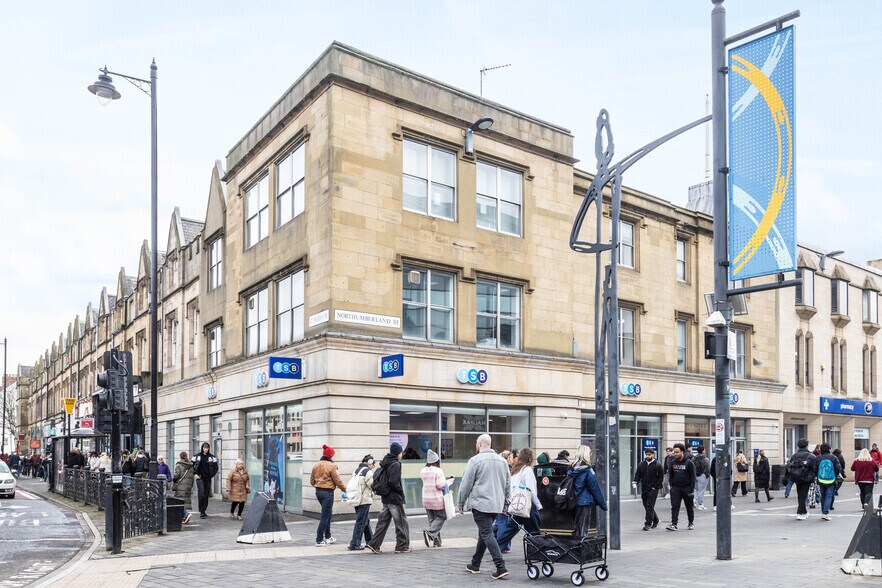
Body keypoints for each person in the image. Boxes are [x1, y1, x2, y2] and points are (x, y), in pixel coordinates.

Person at [458, 434, 510, 579]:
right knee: (484, 532)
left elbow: (466, 483)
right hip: (496, 504)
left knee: (486, 533)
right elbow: (507, 484)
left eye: (476, 443)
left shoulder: (475, 461)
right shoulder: (502, 461)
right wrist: (506, 502)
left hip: (480, 503)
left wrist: (461, 502)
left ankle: (501, 567)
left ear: (480, 444)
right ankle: (475, 564)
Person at [367, 442, 411, 554]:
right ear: (398, 453)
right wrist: (400, 491)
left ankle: (374, 544)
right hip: (394, 498)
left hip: (386, 498)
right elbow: (393, 482)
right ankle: (402, 546)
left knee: (383, 523)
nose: (401, 454)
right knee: (401, 522)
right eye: (401, 452)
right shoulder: (395, 464)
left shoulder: (385, 462)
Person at [496, 448, 542, 547]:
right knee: (534, 530)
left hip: (517, 503)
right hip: (528, 504)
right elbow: (531, 490)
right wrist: (538, 505)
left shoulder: (515, 470)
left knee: (510, 529)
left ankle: (496, 547)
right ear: (530, 459)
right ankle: (535, 550)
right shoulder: (527, 470)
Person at [310, 444, 347, 546]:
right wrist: (345, 490)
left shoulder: (316, 465)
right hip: (328, 493)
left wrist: (318, 485)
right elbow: (337, 480)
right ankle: (319, 540)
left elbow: (312, 481)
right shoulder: (332, 466)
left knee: (327, 514)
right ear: (331, 455)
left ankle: (328, 536)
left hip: (318, 492)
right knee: (325, 516)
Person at [569, 445, 608, 537]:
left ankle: (575, 544)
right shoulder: (588, 470)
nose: (591, 455)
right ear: (586, 455)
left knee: (577, 528)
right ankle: (581, 545)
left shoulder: (572, 468)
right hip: (584, 502)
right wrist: (603, 505)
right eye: (590, 453)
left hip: (572, 501)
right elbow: (595, 489)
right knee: (583, 530)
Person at [420, 449, 449, 548]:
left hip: (426, 499)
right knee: (441, 517)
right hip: (436, 499)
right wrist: (447, 483)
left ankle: (437, 542)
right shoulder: (438, 471)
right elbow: (440, 485)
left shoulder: (423, 471)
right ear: (436, 460)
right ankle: (429, 533)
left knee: (433, 521)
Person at [347, 454, 375, 551]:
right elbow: (372, 485)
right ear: (369, 463)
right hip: (364, 500)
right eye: (373, 464)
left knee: (365, 520)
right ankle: (355, 543)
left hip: (356, 499)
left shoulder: (356, 471)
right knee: (361, 522)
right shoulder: (368, 472)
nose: (373, 466)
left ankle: (371, 541)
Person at [632, 447, 664, 531]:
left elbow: (661, 478)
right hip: (644, 488)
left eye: (649, 455)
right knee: (646, 505)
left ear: (653, 455)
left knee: (649, 505)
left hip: (653, 489)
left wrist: (655, 487)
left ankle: (648, 524)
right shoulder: (641, 464)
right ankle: (656, 520)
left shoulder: (658, 465)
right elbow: (638, 474)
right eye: (646, 454)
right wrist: (635, 482)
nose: (647, 456)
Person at [666, 443, 696, 531]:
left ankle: (691, 522)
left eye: (677, 452)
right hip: (676, 488)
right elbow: (671, 475)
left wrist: (691, 489)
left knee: (689, 507)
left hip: (687, 488)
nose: (675, 454)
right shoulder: (673, 462)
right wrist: (672, 486)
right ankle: (674, 524)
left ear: (682, 452)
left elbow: (693, 477)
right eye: (674, 452)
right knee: (675, 506)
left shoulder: (689, 463)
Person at [786, 438, 817, 520]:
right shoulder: (811, 456)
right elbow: (814, 468)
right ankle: (800, 512)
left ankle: (804, 512)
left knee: (800, 494)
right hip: (806, 477)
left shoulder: (794, 456)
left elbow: (789, 466)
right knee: (803, 495)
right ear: (806, 445)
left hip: (796, 477)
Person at [814, 443, 842, 520]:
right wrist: (834, 476)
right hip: (831, 480)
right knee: (828, 496)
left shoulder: (818, 458)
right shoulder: (834, 457)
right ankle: (825, 513)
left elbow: (814, 468)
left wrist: (819, 476)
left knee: (823, 496)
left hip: (821, 479)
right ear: (829, 449)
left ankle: (823, 512)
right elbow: (838, 468)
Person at [493, 450, 515, 553]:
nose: (512, 459)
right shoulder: (508, 469)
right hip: (504, 499)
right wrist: (507, 501)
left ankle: (488, 537)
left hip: (498, 498)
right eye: (511, 457)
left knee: (499, 522)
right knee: (504, 522)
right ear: (507, 458)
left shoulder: (497, 468)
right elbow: (508, 486)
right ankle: (503, 546)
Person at [192, 442, 219, 519]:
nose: (206, 449)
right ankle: (202, 511)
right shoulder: (197, 456)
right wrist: (195, 474)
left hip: (207, 478)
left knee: (206, 494)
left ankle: (204, 510)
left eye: (207, 448)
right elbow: (192, 466)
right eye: (204, 448)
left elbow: (216, 468)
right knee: (201, 493)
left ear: (209, 448)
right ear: (202, 448)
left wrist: (211, 475)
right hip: (199, 477)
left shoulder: (212, 457)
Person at [172, 451, 195, 524]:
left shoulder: (179, 465)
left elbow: (176, 475)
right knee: (185, 501)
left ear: (180, 457)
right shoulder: (191, 466)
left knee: (179, 502)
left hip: (180, 486)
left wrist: (174, 480)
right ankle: (183, 517)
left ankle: (186, 514)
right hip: (188, 487)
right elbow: (192, 477)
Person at [692, 446, 710, 510]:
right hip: (703, 475)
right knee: (701, 491)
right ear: (702, 451)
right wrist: (707, 475)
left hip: (695, 475)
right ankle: (700, 504)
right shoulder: (705, 459)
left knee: (695, 489)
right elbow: (708, 468)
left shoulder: (693, 458)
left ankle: (694, 499)